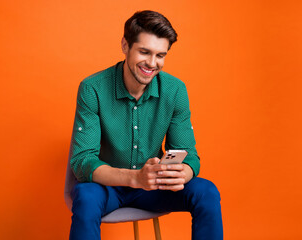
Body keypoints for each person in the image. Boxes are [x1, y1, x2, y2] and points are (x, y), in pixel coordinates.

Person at [69, 10, 223, 240]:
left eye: (160, 55)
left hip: (154, 188)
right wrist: (134, 178)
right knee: (85, 196)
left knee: (206, 191)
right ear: (125, 45)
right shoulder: (92, 88)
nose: (152, 63)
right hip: (107, 187)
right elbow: (82, 162)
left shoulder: (175, 90)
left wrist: (185, 171)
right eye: (144, 52)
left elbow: (190, 155)